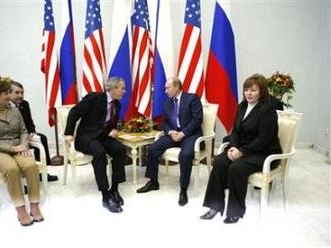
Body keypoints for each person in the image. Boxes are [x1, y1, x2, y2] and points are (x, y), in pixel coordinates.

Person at [200, 73, 282, 224]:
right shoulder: (242, 106)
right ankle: (214, 206)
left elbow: (264, 139)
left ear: (262, 92)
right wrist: (234, 147)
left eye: (253, 90)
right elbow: (236, 130)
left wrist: (242, 152)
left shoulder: (267, 110)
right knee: (220, 161)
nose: (248, 93)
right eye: (246, 90)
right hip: (243, 148)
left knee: (236, 168)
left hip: (264, 152)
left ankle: (235, 211)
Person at [0, 77, 44, 226]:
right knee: (11, 168)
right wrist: (12, 148)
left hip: (18, 147)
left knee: (31, 166)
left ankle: (34, 205)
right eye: (5, 93)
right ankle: (20, 209)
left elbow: (23, 131)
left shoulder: (15, 110)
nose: (9, 96)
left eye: (9, 92)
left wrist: (23, 145)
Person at [136, 76, 203, 206]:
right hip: (174, 135)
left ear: (177, 87)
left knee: (186, 154)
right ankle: (153, 181)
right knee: (153, 148)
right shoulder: (167, 103)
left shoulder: (192, 98)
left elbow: (197, 120)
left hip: (189, 135)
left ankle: (183, 189)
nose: (165, 90)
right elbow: (165, 123)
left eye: (168, 87)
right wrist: (172, 133)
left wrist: (182, 134)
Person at [64, 77, 127, 213]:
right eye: (122, 88)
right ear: (114, 88)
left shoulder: (117, 104)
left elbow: (109, 123)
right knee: (99, 152)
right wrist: (69, 133)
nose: (124, 91)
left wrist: (112, 130)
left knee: (120, 149)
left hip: (103, 136)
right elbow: (74, 112)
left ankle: (114, 189)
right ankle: (105, 196)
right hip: (85, 137)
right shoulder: (94, 98)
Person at [9, 81, 58, 182]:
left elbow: (29, 122)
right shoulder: (5, 107)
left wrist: (32, 132)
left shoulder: (24, 104)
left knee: (42, 138)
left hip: (26, 135)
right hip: (12, 138)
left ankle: (42, 171)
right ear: (9, 94)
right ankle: (21, 179)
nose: (20, 95)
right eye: (17, 92)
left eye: (22, 92)